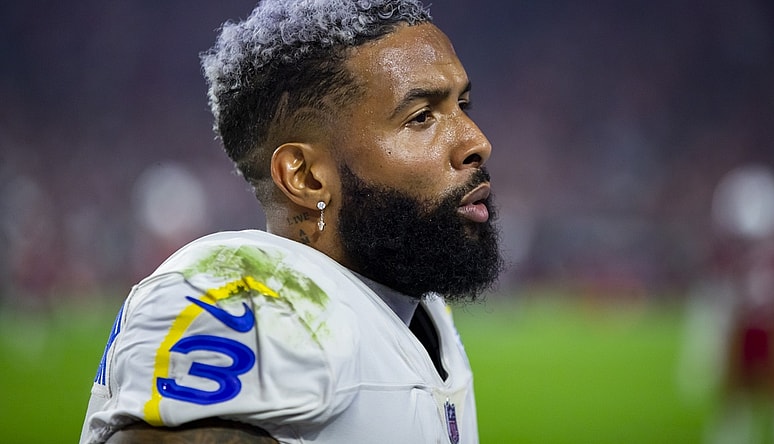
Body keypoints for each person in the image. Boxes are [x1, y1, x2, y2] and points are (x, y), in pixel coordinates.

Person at [79, 0, 503, 443]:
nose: (477, 142)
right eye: (421, 117)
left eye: (463, 105)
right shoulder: (261, 301)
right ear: (305, 176)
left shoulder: (412, 301)